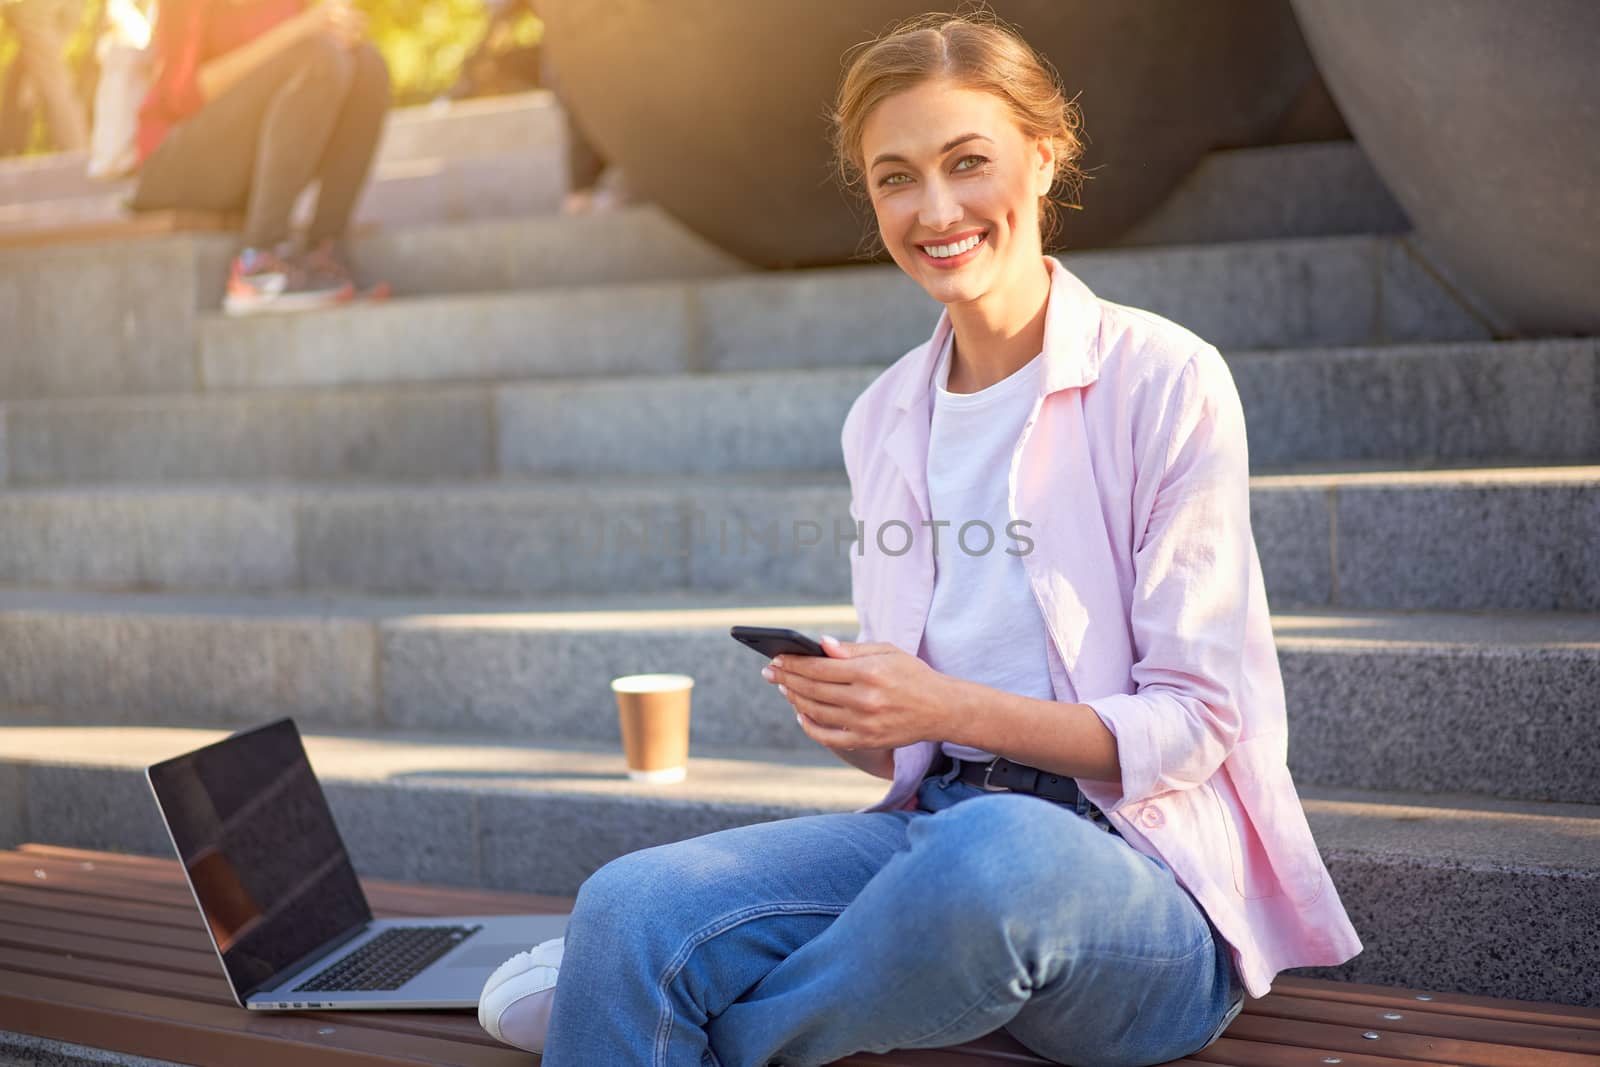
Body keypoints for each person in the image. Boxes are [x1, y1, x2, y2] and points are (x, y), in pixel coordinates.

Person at [476, 10, 1363, 1066]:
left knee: (997, 860)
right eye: (895, 176)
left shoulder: (1164, 379)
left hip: (1145, 888)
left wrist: (945, 705)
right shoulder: (885, 416)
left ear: (1043, 157)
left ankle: (704, 1027)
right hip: (936, 829)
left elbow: (1195, 722)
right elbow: (914, 747)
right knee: (628, 902)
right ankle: (637, 983)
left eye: (966, 162)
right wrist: (864, 713)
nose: (933, 208)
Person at [127, 0, 390, 315]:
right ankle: (258, 263)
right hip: (175, 167)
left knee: (367, 63)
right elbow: (182, 95)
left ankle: (325, 255)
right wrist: (297, 32)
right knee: (318, 55)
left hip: (246, 166)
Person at [0, 0, 90, 155]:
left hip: (41, 10)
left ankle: (76, 148)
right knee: (30, 69)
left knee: (51, 75)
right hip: (64, 7)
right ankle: (10, 145)